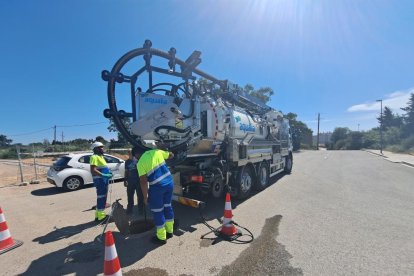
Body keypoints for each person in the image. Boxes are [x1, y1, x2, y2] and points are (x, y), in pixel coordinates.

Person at [136, 146, 175, 245]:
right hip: (169, 183)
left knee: (158, 211)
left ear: (137, 155)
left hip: (157, 187)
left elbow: (143, 181)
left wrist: (145, 197)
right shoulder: (157, 151)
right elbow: (171, 155)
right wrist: (170, 153)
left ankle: (161, 237)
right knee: (168, 207)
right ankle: (170, 232)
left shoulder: (140, 163)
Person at [90, 141, 112, 222]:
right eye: (101, 147)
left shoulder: (101, 157)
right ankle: (101, 217)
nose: (103, 149)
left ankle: (98, 215)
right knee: (101, 197)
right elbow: (93, 170)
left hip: (103, 180)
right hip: (100, 180)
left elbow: (102, 168)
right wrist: (104, 175)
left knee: (102, 197)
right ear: (96, 149)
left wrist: (108, 173)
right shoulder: (94, 157)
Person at [124, 148, 144, 215]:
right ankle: (129, 210)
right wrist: (125, 180)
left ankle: (141, 210)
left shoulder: (139, 160)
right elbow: (126, 171)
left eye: (130, 152)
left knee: (140, 196)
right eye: (128, 152)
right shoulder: (127, 162)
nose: (129, 154)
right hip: (130, 182)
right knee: (130, 196)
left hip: (138, 181)